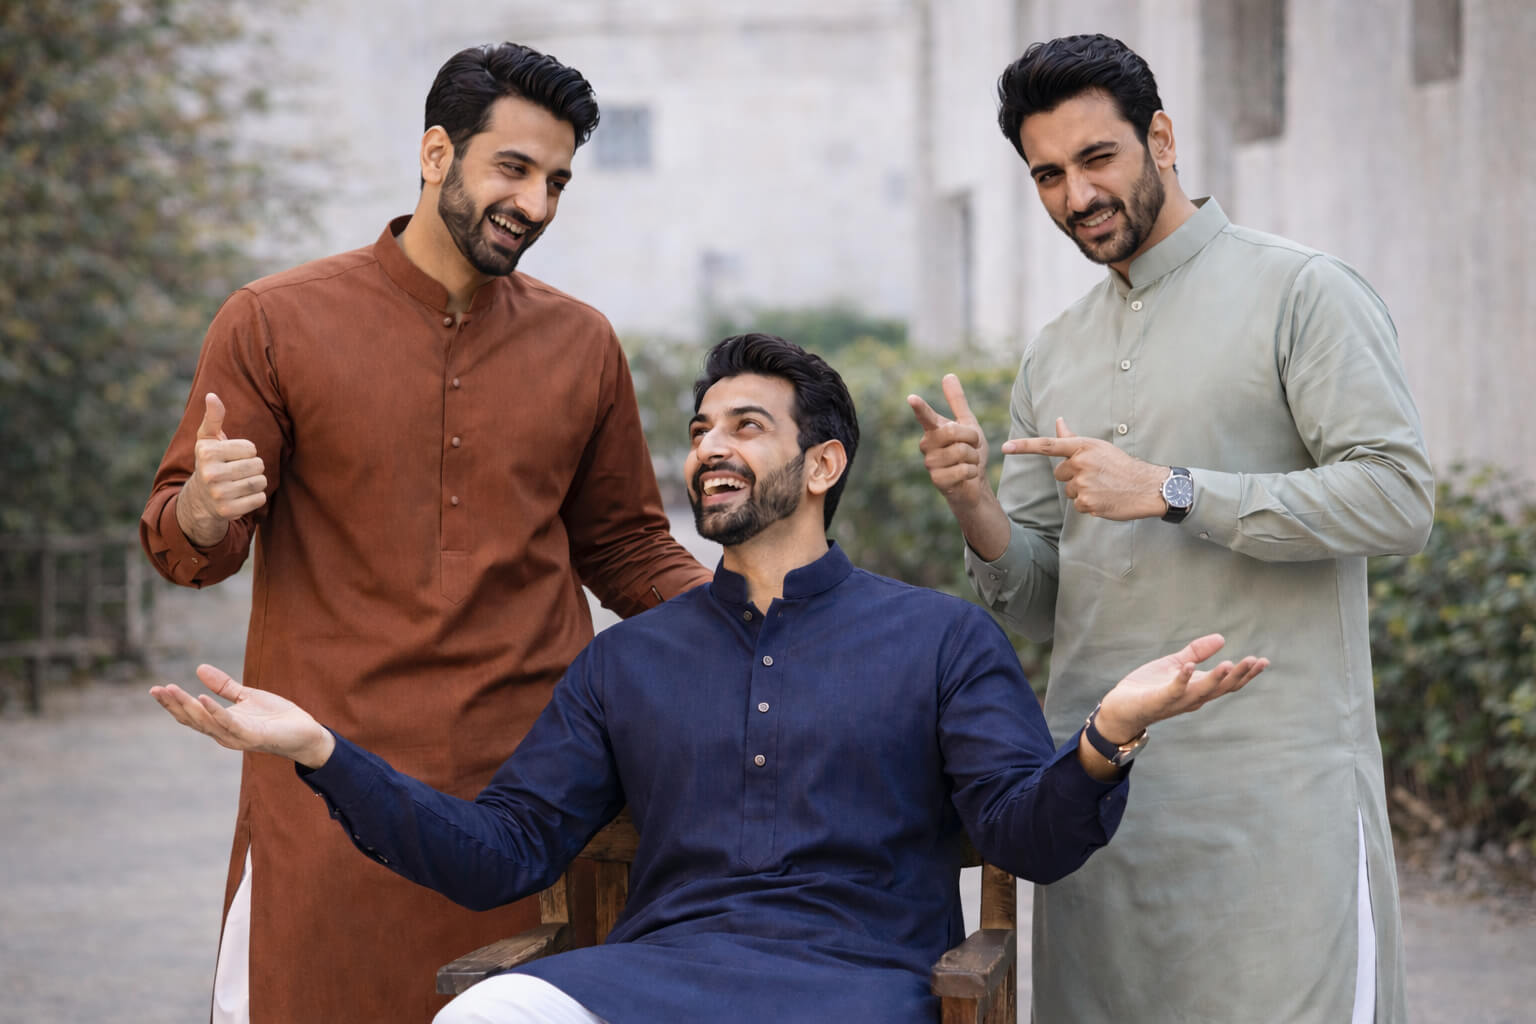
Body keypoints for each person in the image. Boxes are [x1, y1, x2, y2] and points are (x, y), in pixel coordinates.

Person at [152, 334, 1268, 1024]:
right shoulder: (630, 656)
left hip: (855, 989)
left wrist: (1106, 737)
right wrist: (320, 751)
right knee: (489, 1014)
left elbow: (1028, 838)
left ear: (823, 463)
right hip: (658, 977)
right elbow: (502, 848)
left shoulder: (937, 640)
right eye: (698, 430)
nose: (710, 448)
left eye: (747, 425)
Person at [139, 42, 711, 1022]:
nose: (535, 204)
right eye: (515, 169)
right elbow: (189, 543)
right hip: (326, 780)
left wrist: (777, 617)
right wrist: (203, 504)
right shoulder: (274, 321)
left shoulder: (581, 342)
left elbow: (624, 545)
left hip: (531, 799)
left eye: (558, 181)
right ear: (437, 153)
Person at [908, 33, 1434, 1024]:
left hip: (1277, 809)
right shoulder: (1055, 352)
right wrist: (973, 501)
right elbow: (1037, 597)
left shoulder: (1302, 292)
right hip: (1103, 806)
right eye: (1048, 175)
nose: (1076, 196)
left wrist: (1175, 490)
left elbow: (1397, 498)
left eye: (1097, 158)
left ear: (1161, 137)